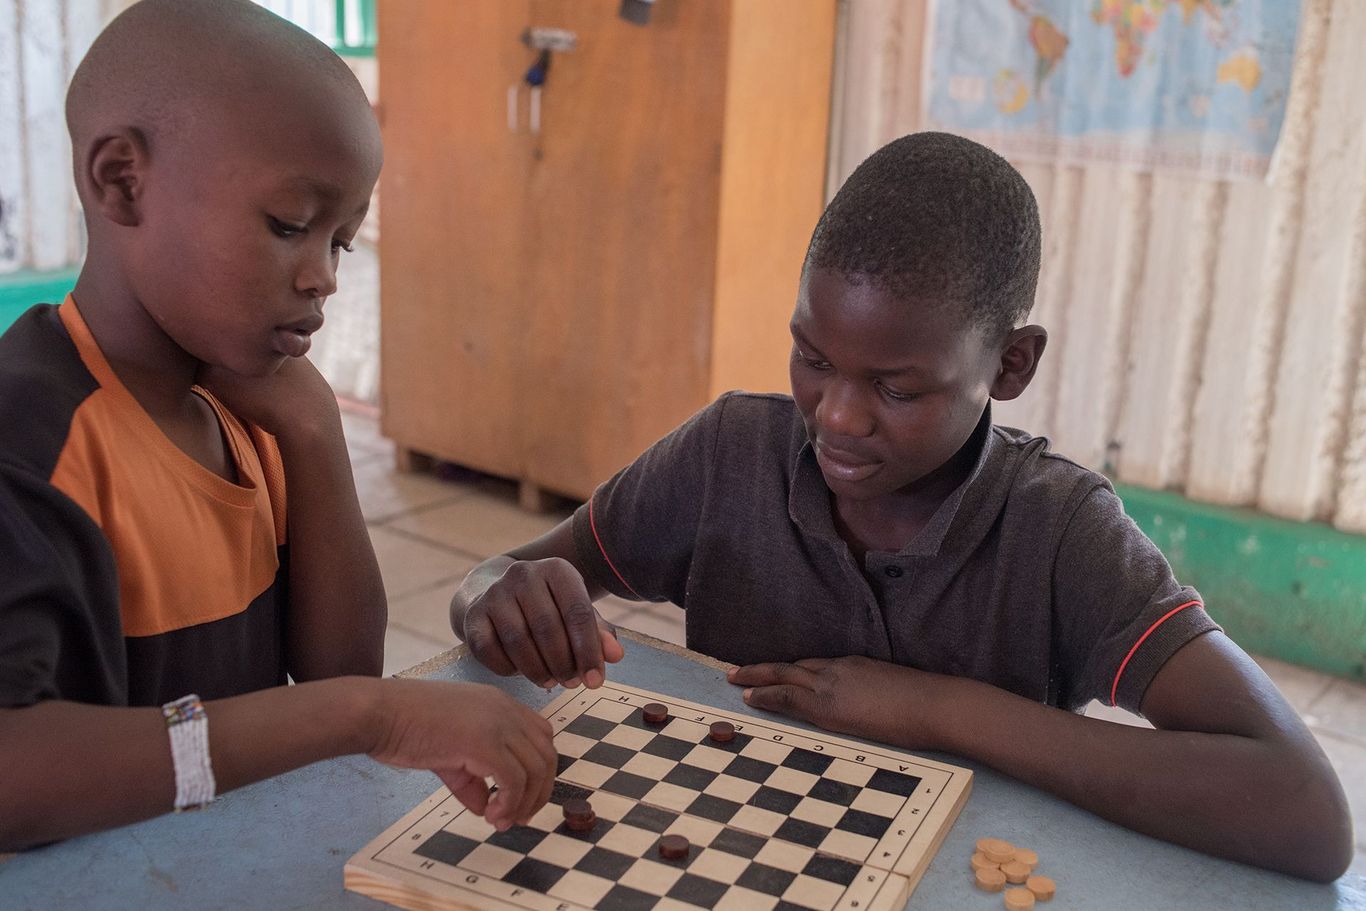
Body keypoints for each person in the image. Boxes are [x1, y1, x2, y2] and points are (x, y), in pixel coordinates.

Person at [450, 132, 1353, 881]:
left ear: (1010, 366)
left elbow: (1306, 815)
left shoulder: (1059, 532)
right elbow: (503, 580)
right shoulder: (729, 454)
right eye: (812, 357)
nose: (836, 416)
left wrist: (938, 709)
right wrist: (500, 590)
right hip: (729, 863)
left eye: (895, 387)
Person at [0, 0, 555, 852]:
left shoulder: (253, 405)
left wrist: (316, 434)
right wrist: (368, 716)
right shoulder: (31, 435)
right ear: (121, 179)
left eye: (342, 242)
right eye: (290, 225)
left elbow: (336, 670)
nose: (321, 277)